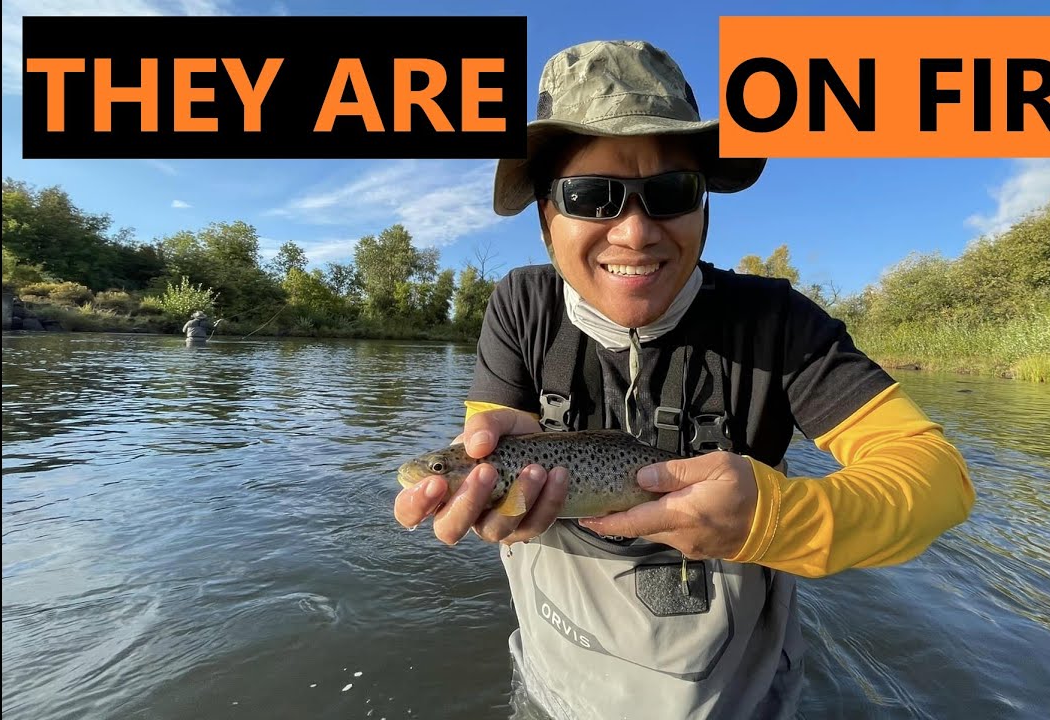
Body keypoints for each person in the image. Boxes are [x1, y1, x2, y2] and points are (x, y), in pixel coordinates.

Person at [394, 40, 976, 720]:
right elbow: (484, 445)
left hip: (739, 700)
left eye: (671, 192)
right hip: (559, 693)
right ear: (547, 216)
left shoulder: (776, 322)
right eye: (591, 195)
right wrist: (492, 502)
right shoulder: (521, 308)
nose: (636, 232)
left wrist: (771, 519)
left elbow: (940, 479)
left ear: (704, 207)